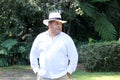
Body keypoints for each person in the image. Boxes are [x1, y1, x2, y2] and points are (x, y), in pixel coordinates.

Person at [30, 12, 78, 80]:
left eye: (60, 24)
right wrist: (36, 70)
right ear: (49, 24)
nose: (59, 26)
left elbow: (74, 56)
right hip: (43, 76)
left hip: (61, 76)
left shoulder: (67, 39)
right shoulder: (40, 38)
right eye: (57, 23)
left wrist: (69, 72)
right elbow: (33, 55)